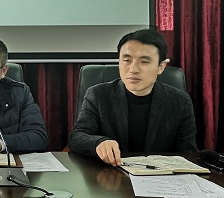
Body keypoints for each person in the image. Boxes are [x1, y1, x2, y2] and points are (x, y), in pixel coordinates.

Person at [68, 28, 197, 166]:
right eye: (127, 60)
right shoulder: (98, 95)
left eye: (144, 62)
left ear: (161, 66)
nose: (133, 69)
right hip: (110, 174)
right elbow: (77, 137)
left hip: (160, 176)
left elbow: (187, 153)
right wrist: (98, 143)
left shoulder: (180, 101)